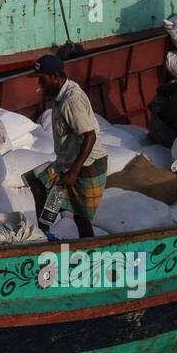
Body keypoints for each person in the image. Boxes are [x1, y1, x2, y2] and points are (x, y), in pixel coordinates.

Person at [25, 54, 108, 238]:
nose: (40, 84)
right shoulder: (61, 94)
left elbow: (90, 136)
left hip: (86, 164)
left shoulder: (71, 100)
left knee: (81, 216)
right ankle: (45, 236)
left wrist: (74, 172)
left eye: (42, 79)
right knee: (38, 186)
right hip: (67, 162)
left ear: (56, 76)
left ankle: (87, 250)